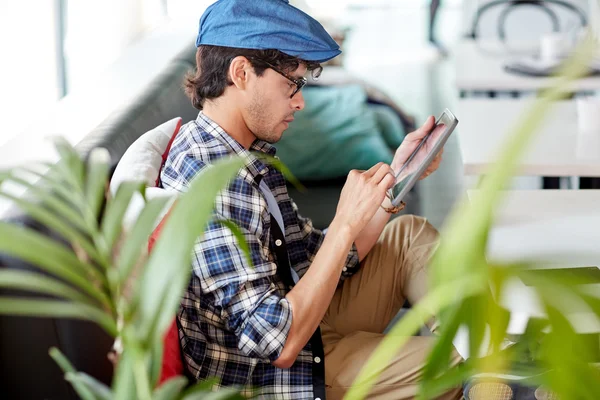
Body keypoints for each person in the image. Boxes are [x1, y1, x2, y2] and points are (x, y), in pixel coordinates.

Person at [159, 0, 459, 399]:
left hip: (307, 321)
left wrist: (396, 178)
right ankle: (495, 372)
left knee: (409, 235)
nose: (299, 101)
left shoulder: (245, 153)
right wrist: (347, 222)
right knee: (447, 364)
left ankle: (496, 358)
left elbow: (317, 257)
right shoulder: (212, 181)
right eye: (291, 84)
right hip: (277, 375)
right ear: (242, 73)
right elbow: (276, 343)